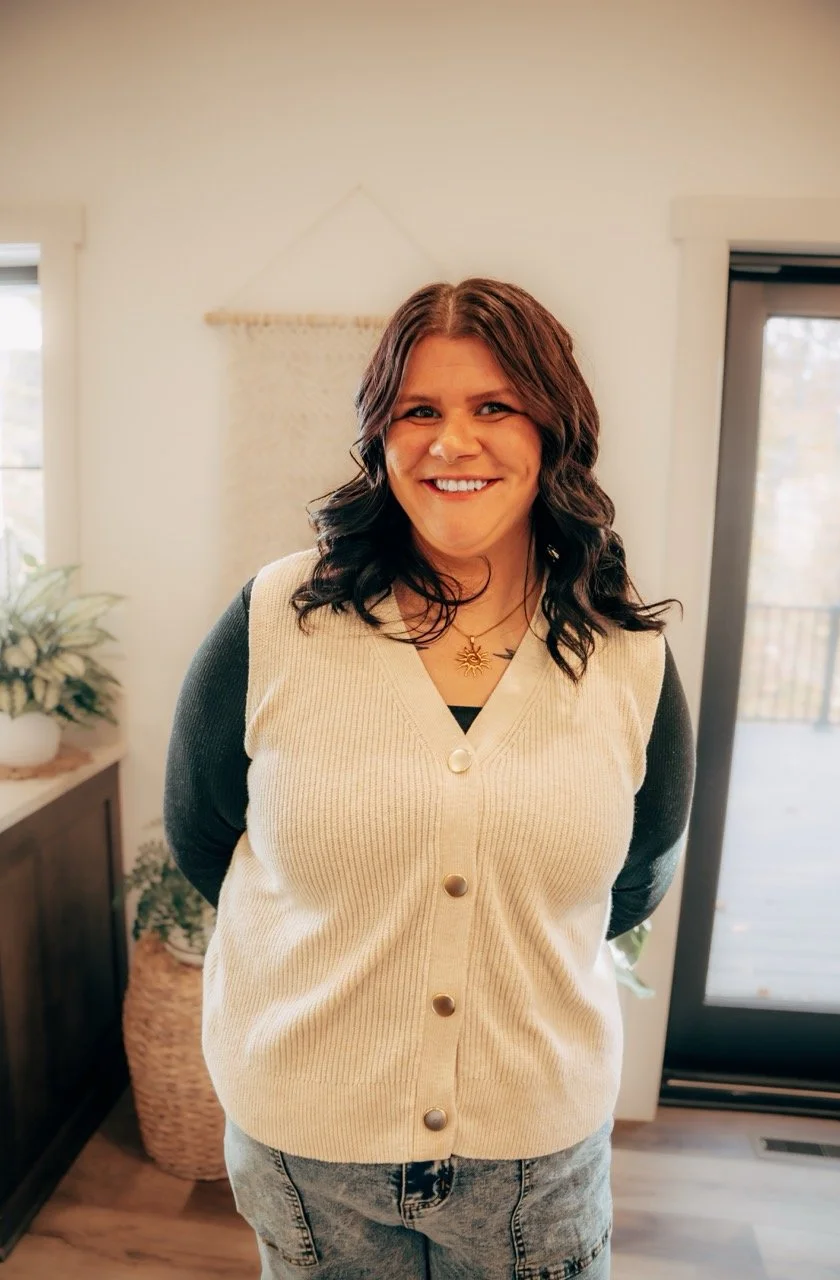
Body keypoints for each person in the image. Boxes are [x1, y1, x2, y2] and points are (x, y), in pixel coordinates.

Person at [163, 276, 696, 1279]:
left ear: (553, 428)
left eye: (493, 405)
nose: (454, 443)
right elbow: (203, 835)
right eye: (420, 410)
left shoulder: (628, 652)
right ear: (380, 436)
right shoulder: (276, 617)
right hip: (309, 1149)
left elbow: (635, 878)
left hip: (535, 1163)